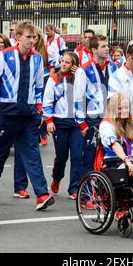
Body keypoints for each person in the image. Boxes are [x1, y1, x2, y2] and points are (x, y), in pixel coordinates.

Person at [0, 20, 55, 211]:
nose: (32, 40)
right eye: (28, 37)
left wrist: (39, 109)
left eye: (34, 37)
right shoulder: (5, 55)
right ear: (18, 38)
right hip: (8, 112)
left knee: (32, 153)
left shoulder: (38, 59)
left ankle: (42, 194)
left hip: (29, 114)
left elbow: (39, 85)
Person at [74, 35, 118, 176]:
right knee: (89, 157)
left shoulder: (114, 67)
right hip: (93, 119)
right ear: (94, 49)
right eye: (103, 46)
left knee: (112, 156)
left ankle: (104, 192)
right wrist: (81, 123)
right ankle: (85, 191)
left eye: (107, 45)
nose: (107, 49)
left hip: (112, 118)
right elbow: (78, 98)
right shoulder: (84, 70)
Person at [43, 52, 82, 199]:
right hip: (60, 122)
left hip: (77, 122)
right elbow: (47, 101)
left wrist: (79, 74)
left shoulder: (79, 78)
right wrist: (49, 121)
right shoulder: (53, 79)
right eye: (62, 61)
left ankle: (74, 188)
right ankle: (56, 178)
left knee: (77, 156)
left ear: (74, 65)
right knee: (61, 157)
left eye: (67, 62)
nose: (63, 64)